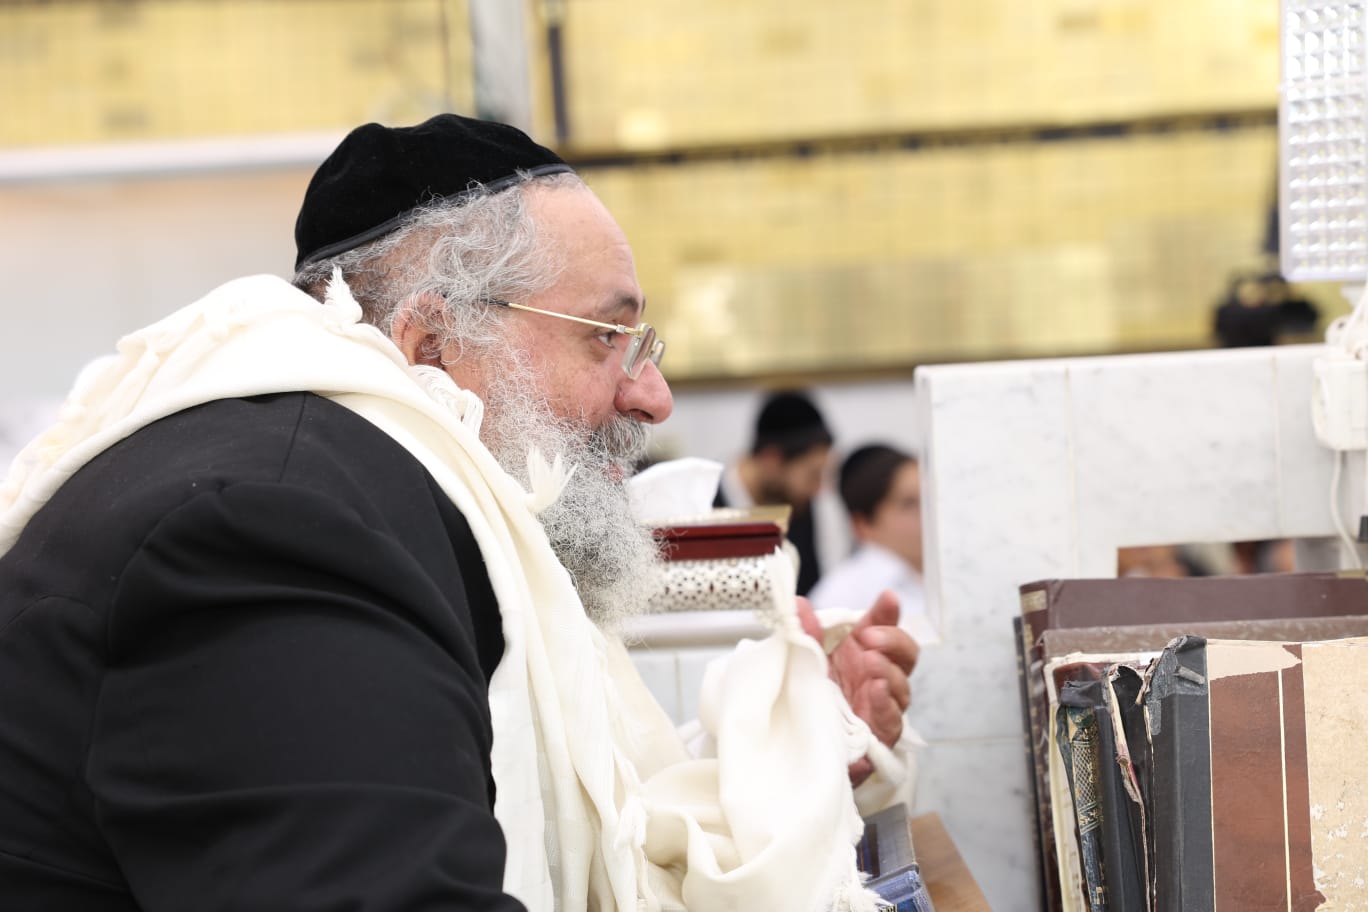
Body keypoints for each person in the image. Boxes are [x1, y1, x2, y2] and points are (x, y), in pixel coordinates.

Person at [0, 114, 918, 911]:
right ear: (431, 343)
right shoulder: (276, 534)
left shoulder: (346, 489)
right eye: (607, 337)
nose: (654, 397)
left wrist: (804, 749)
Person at [715, 389, 843, 595]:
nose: (819, 489)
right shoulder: (705, 500)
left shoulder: (819, 513)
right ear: (772, 460)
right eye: (813, 474)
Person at [810, 444, 936, 645]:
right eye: (909, 504)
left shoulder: (944, 574)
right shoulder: (839, 597)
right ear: (863, 524)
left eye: (930, 499)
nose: (928, 514)